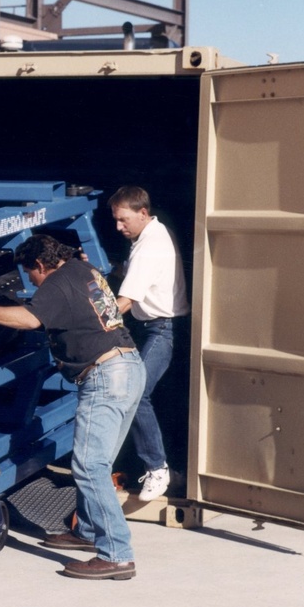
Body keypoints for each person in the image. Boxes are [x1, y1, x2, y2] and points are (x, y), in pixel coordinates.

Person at [0, 235, 146, 581]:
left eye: (30, 273)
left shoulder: (56, 281)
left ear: (40, 265)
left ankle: (116, 555)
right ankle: (87, 531)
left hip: (106, 376)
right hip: (127, 368)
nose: (32, 281)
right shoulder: (82, 269)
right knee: (97, 463)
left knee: (89, 465)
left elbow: (29, 320)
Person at [109, 186, 190, 501]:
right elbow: (138, 275)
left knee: (135, 392)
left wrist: (93, 324)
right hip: (154, 327)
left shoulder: (148, 246)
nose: (119, 227)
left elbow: (126, 301)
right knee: (152, 399)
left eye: (124, 220)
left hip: (161, 330)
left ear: (143, 213)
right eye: (116, 220)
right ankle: (173, 472)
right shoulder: (152, 234)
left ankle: (157, 468)